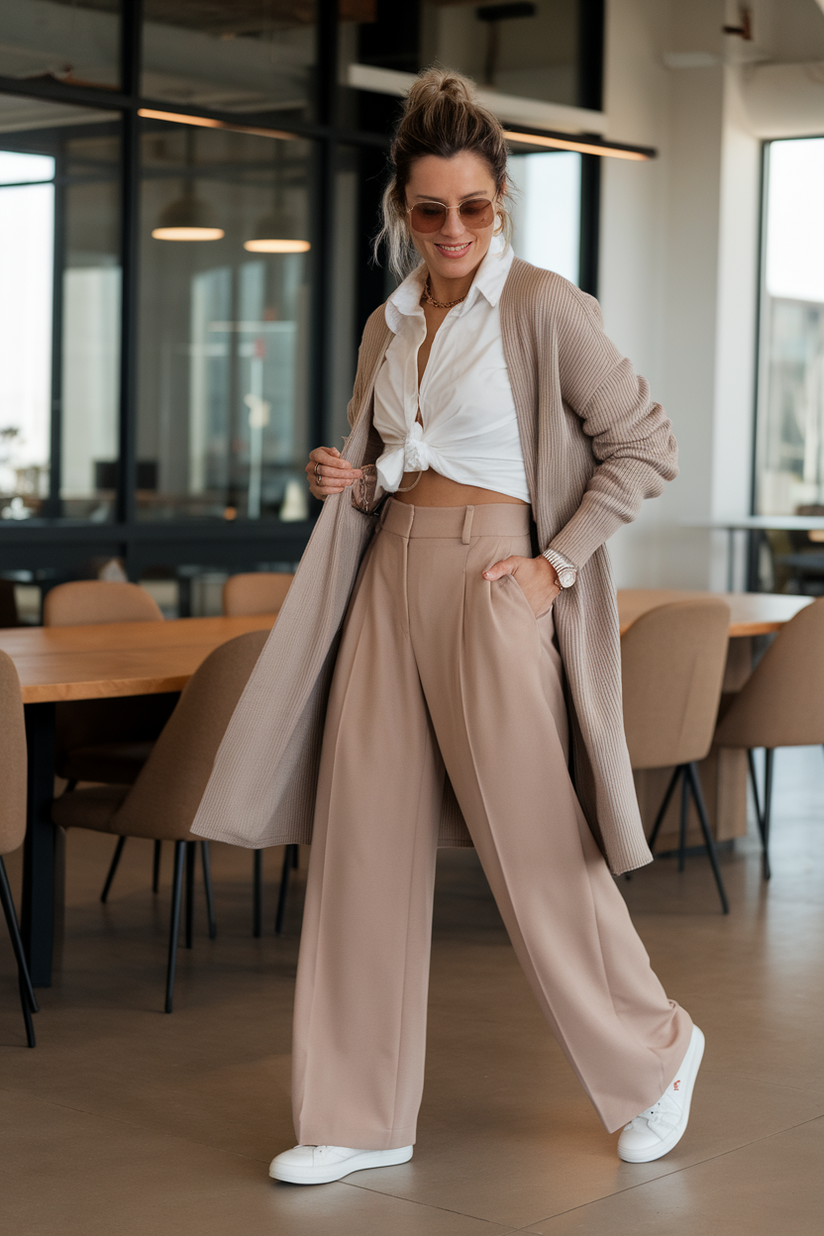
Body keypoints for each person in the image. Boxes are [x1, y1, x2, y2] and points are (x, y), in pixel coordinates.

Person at [192, 68, 703, 1187]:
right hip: (387, 578)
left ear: (500, 200)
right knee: (360, 843)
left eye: (473, 206)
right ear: (400, 209)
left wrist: (550, 570)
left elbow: (643, 448)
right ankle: (356, 1111)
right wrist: (353, 476)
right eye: (430, 210)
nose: (453, 229)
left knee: (534, 846)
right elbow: (392, 462)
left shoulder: (542, 308)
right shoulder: (389, 321)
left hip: (491, 582)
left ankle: (655, 1055)